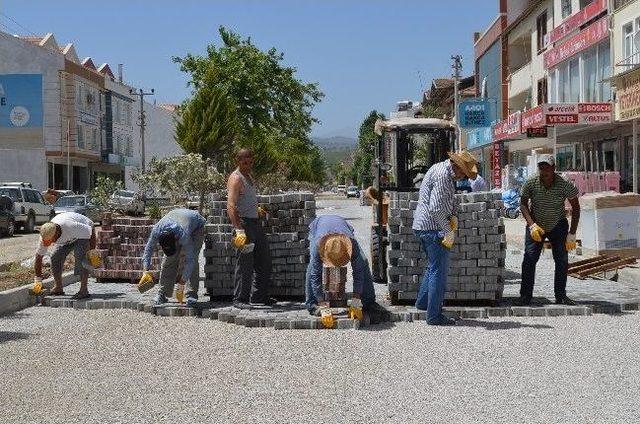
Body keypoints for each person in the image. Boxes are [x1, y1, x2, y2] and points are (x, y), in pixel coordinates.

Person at [413, 150, 479, 326]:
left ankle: (422, 304)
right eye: (463, 173)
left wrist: (454, 216)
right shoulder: (443, 175)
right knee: (438, 272)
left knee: (432, 267)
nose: (462, 177)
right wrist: (447, 230)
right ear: (456, 166)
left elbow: (449, 200)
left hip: (424, 226)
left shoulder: (441, 169)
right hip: (433, 228)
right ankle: (434, 316)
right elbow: (435, 209)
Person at [519, 154, 580, 306]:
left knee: (561, 260)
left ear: (553, 169)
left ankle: (560, 295)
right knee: (529, 259)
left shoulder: (564, 184)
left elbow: (576, 207)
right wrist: (532, 225)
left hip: (557, 225)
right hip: (536, 225)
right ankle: (525, 295)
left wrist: (572, 233)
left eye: (547, 167)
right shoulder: (531, 182)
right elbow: (523, 204)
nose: (544, 171)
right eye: (541, 167)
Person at [305, 215, 380, 316]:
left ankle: (369, 302)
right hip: (318, 227)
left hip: (343, 229)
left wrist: (356, 300)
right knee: (312, 268)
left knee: (363, 261)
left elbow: (358, 272)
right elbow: (315, 276)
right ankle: (312, 305)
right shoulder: (318, 246)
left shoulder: (351, 243)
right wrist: (322, 304)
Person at [227, 148, 274, 308]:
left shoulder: (249, 176)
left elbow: (246, 199)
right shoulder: (236, 178)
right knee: (245, 263)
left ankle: (258, 296)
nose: (247, 165)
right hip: (244, 224)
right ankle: (239, 299)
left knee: (264, 260)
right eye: (244, 162)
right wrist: (238, 230)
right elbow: (231, 206)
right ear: (237, 161)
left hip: (254, 222)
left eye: (250, 162)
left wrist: (256, 208)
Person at [142, 208, 206, 306]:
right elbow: (148, 249)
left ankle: (191, 295)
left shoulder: (183, 235)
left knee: (192, 258)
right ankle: (162, 294)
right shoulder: (157, 230)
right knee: (169, 259)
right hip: (178, 221)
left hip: (196, 227)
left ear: (176, 239)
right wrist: (145, 270)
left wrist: (181, 283)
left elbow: (190, 260)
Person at [34, 211, 96, 299]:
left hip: (82, 235)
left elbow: (90, 230)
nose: (50, 243)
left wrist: (92, 252)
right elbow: (39, 258)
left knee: (80, 257)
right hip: (67, 238)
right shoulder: (45, 234)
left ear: (56, 234)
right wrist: (38, 282)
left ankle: (84, 290)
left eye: (51, 241)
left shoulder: (72, 226)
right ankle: (58, 287)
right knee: (55, 257)